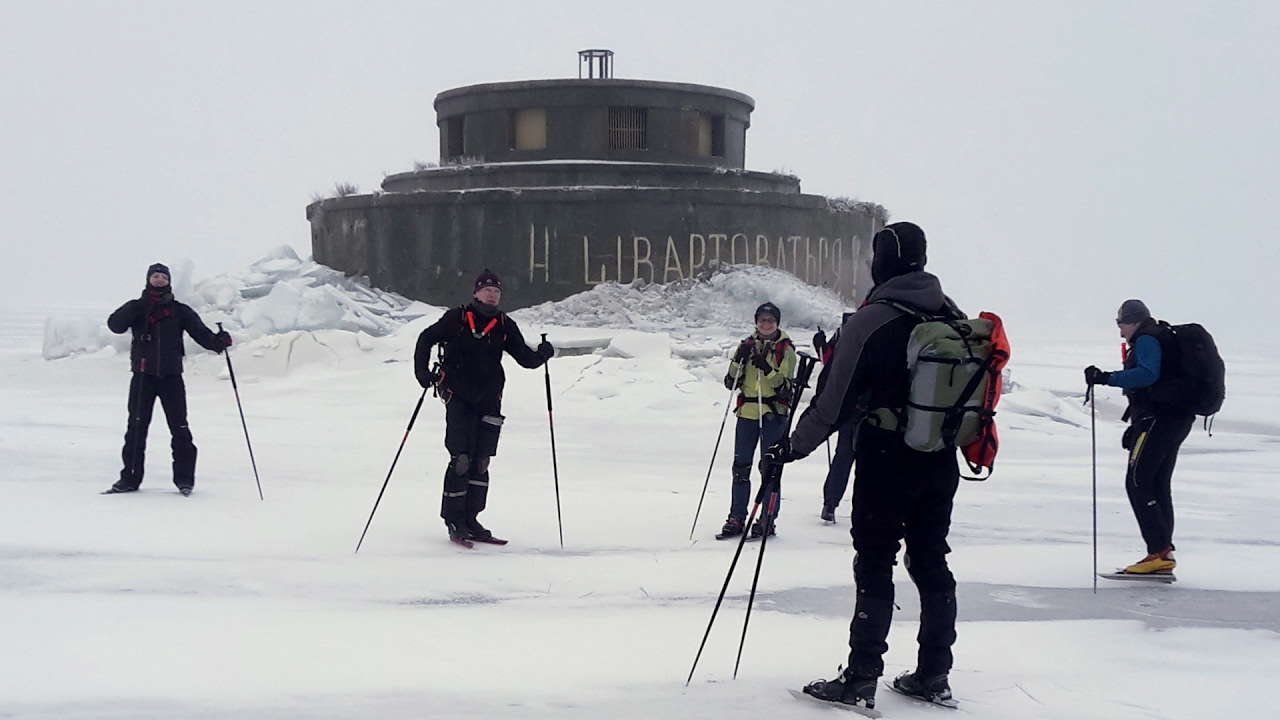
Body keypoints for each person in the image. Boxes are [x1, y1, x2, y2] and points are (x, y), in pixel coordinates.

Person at [767, 222, 965, 711]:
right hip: (939, 458)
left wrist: (790, 449)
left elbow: (834, 402)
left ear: (884, 262)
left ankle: (860, 680)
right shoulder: (951, 314)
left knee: (875, 560)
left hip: (885, 456)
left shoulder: (873, 319)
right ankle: (934, 674)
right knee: (931, 559)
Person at [413, 269, 553, 544]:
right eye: (486, 290)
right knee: (461, 460)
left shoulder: (504, 324)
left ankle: (472, 519)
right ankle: (454, 521)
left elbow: (525, 358)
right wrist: (422, 374)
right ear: (476, 293)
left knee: (481, 462)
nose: (491, 294)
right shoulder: (458, 318)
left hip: (490, 398)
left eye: (496, 291)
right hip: (459, 396)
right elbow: (425, 339)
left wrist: (543, 355)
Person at [1085, 299, 1193, 575]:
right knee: (1157, 483)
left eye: (1121, 324)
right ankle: (1160, 553)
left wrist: (1106, 378)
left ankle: (1158, 552)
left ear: (1132, 321)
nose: (1120, 331)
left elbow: (1147, 374)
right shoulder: (1159, 336)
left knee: (1138, 481)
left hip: (1158, 420)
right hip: (1174, 419)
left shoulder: (1146, 339)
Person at [103, 263, 231, 496]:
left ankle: (185, 480)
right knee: (136, 428)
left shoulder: (180, 311)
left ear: (169, 281)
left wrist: (218, 342)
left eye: (163, 276)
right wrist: (136, 308)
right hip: (143, 377)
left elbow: (200, 334)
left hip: (171, 377)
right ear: (148, 280)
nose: (159, 280)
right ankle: (129, 480)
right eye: (155, 276)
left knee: (180, 428)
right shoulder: (137, 307)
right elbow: (115, 325)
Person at [715, 302, 797, 540]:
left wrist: (767, 368)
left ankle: (767, 519)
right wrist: (738, 360)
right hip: (747, 413)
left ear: (777, 323)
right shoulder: (747, 346)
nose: (766, 324)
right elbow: (731, 382)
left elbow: (784, 386)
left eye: (770, 320)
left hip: (772, 413)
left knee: (770, 468)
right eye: (762, 320)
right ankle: (736, 517)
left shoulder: (785, 350)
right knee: (741, 468)